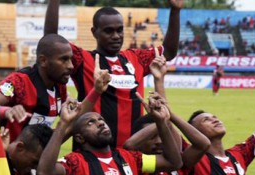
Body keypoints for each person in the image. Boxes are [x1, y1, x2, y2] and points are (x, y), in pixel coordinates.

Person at [44, 0, 182, 149]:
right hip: (91, 154)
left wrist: (175, 11)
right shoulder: (82, 59)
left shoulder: (137, 58)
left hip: (131, 154)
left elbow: (168, 52)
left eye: (119, 30)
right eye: (108, 31)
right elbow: (51, 40)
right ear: (94, 32)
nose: (116, 36)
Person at [37, 93, 182, 175]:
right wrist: (63, 124)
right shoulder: (75, 163)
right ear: (80, 138)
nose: (100, 123)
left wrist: (161, 122)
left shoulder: (130, 158)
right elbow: (45, 172)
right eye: (91, 123)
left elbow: (172, 162)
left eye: (101, 119)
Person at [124, 53, 210, 175]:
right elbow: (129, 145)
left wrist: (159, 81)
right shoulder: (137, 165)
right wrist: (161, 121)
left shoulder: (180, 163)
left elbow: (203, 144)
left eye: (161, 136)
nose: (159, 141)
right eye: (151, 137)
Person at [188, 110, 255, 175]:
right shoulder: (195, 159)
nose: (215, 120)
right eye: (206, 120)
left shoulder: (239, 154)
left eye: (215, 117)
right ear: (194, 133)